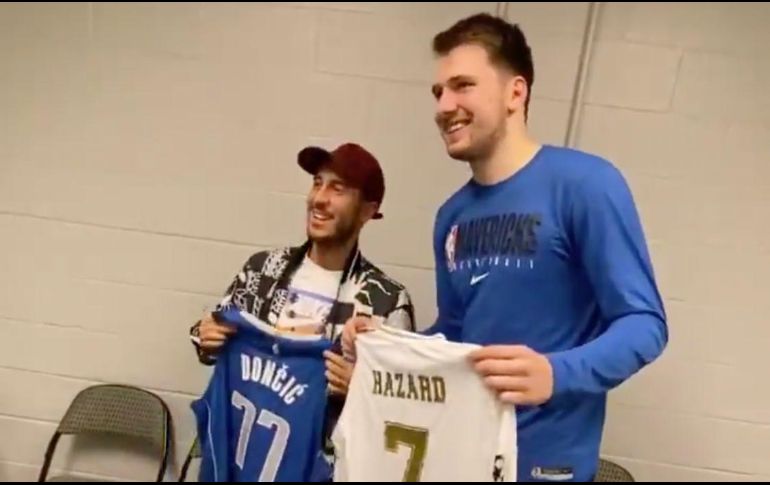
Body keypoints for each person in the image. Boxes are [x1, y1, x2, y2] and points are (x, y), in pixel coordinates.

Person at [344, 13, 668, 482]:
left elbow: (645, 324)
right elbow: (456, 333)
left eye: (462, 86)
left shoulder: (586, 185)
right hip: (463, 456)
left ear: (516, 93)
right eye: (438, 92)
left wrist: (556, 373)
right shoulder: (452, 216)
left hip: (546, 465)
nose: (444, 106)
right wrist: (387, 344)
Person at [189, 142, 416, 398]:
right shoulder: (263, 269)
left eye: (337, 189)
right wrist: (204, 336)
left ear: (367, 211)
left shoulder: (387, 302)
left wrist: (363, 390)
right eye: (317, 183)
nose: (319, 199)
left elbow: (401, 400)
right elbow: (212, 339)